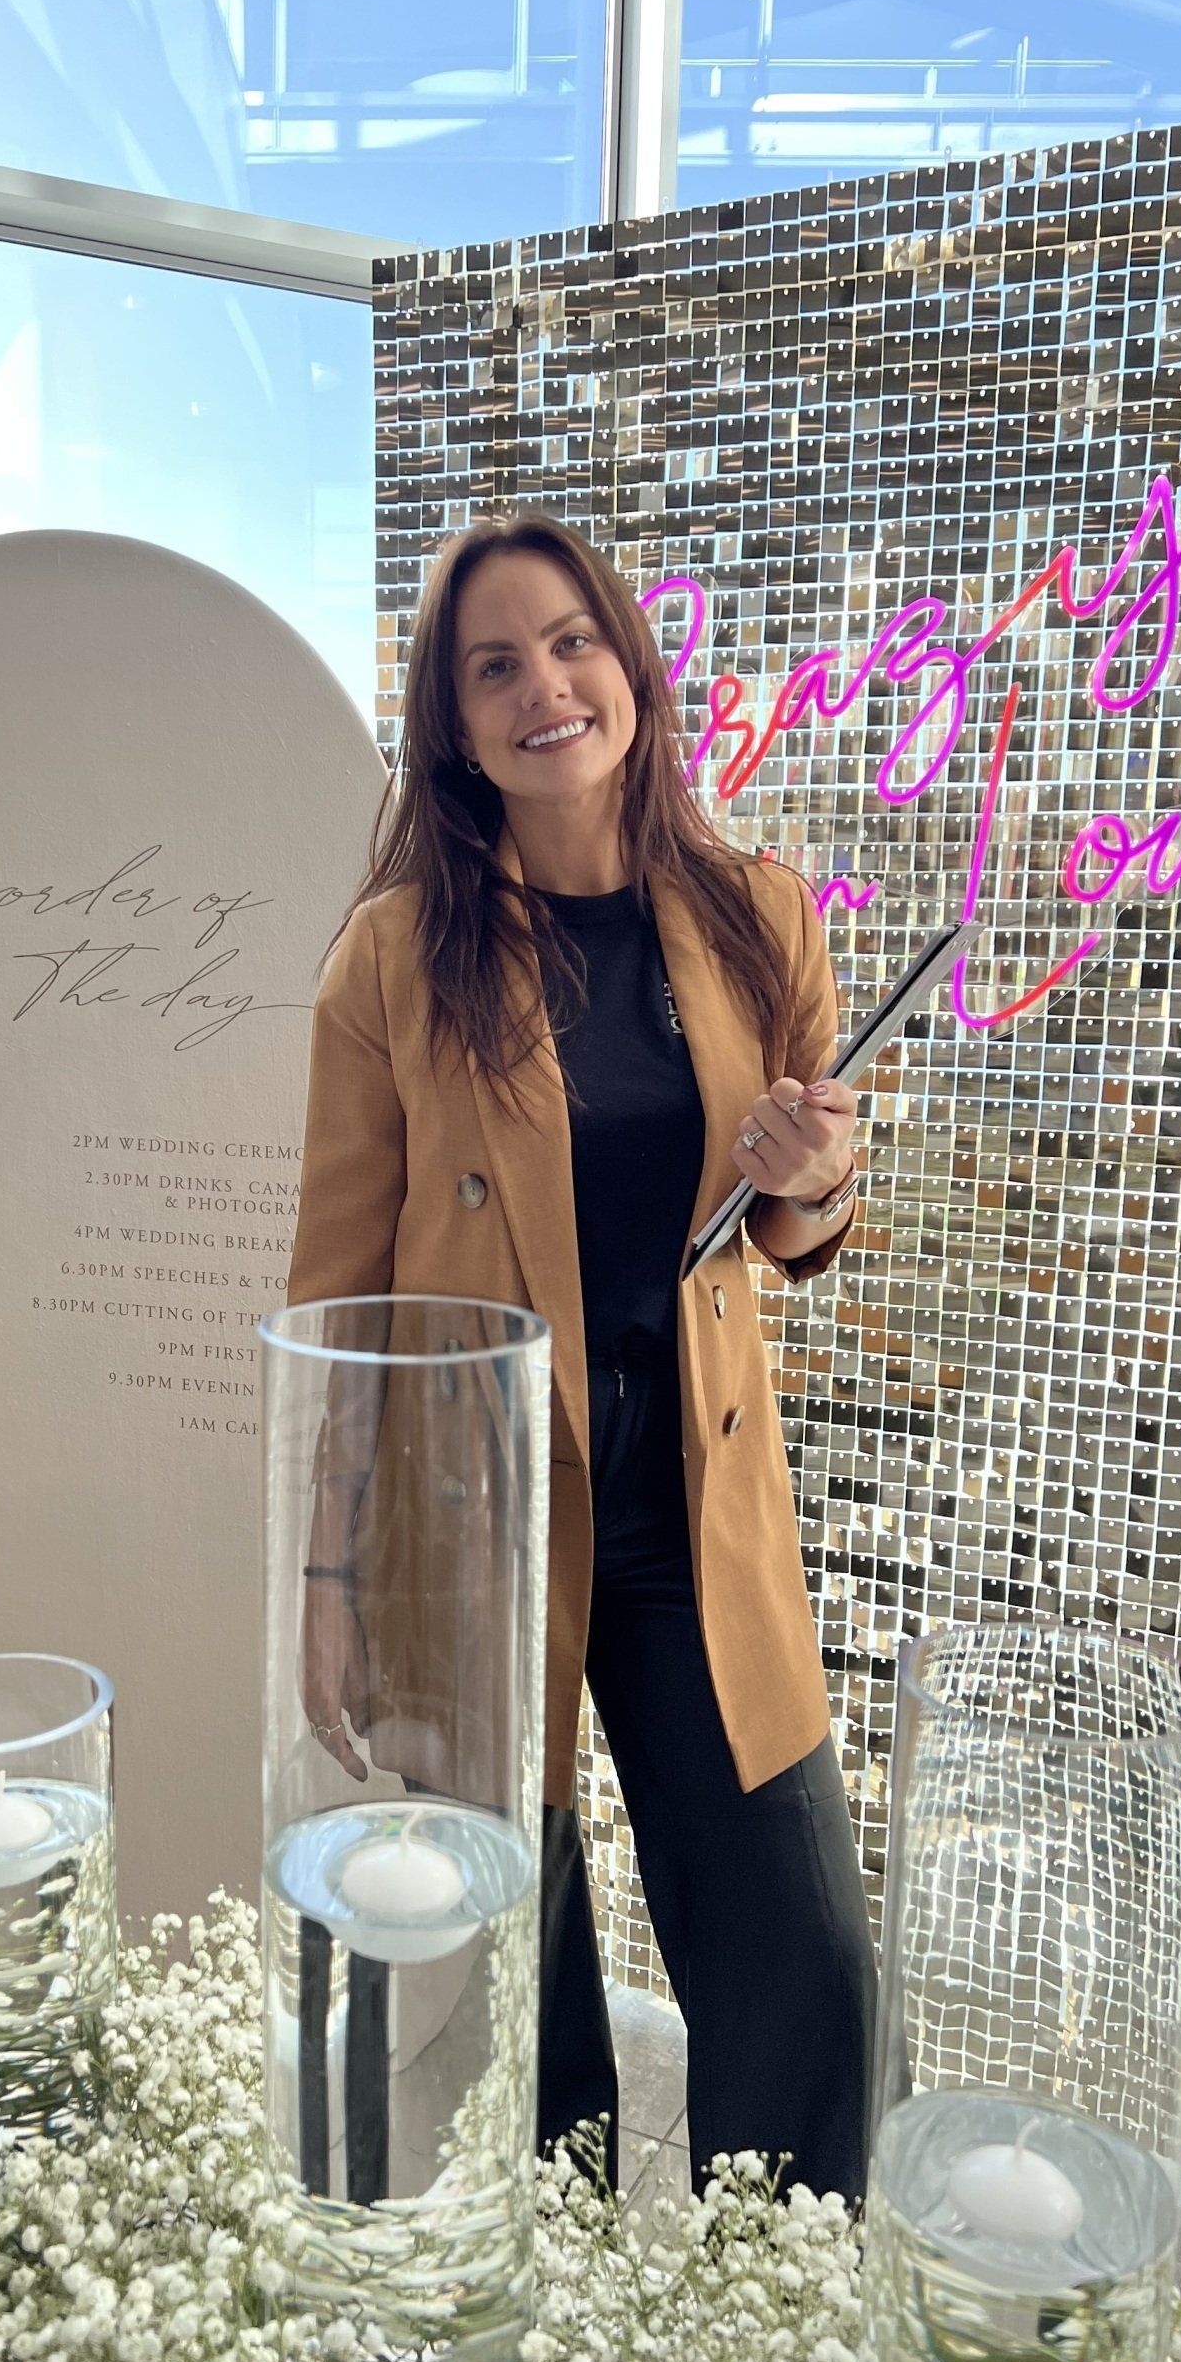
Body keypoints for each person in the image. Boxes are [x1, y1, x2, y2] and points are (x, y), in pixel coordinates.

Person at [285, 511, 877, 2204]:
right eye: (494, 667)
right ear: (456, 730)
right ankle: (555, 2297)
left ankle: (771, 2302)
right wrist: (326, 1575)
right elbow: (338, 1298)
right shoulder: (394, 958)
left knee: (804, 1962)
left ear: (629, 663)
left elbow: (800, 1220)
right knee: (516, 1983)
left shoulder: (760, 915)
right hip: (475, 1509)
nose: (544, 686)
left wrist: (816, 1173)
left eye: (570, 642)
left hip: (693, 1500)